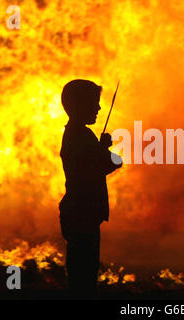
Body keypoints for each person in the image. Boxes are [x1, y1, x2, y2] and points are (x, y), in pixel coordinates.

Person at [59, 79, 122, 298]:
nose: (98, 108)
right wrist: (104, 150)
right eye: (93, 103)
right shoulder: (82, 137)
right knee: (84, 277)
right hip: (83, 213)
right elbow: (106, 165)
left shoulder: (76, 135)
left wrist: (101, 149)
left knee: (81, 273)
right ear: (79, 105)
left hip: (77, 213)